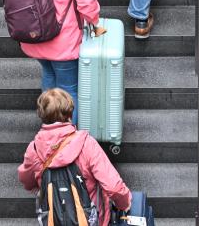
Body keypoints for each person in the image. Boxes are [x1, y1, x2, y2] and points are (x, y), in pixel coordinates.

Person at [18, 88, 131, 225]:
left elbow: (26, 181)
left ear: (42, 115)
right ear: (70, 113)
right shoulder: (86, 143)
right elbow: (113, 187)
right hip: (90, 220)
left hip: (54, 219)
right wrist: (125, 203)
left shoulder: (34, 148)